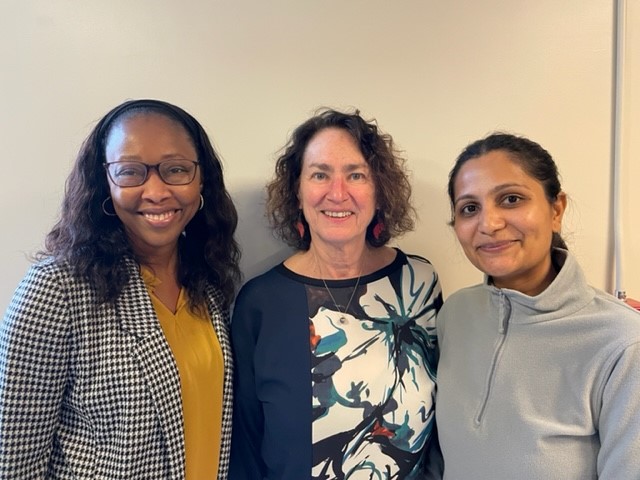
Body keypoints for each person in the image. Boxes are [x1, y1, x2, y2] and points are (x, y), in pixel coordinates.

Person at [0, 99, 240, 479]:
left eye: (176, 169)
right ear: (104, 183)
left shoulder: (206, 283)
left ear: (201, 180)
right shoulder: (57, 289)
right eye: (130, 172)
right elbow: (14, 463)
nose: (156, 191)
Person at [229, 108, 444, 479]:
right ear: (297, 192)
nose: (337, 193)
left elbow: (442, 429)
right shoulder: (261, 303)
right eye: (320, 174)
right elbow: (244, 449)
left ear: (379, 191)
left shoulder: (419, 283)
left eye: (356, 175)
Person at [436, 133, 640, 479]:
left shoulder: (622, 342)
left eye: (511, 199)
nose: (489, 224)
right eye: (470, 208)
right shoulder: (455, 315)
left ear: (556, 210)